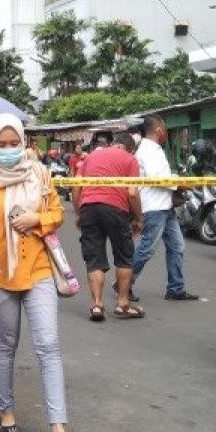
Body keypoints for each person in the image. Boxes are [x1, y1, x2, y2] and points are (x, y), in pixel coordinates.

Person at [0, 114, 80, 432]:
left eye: (13, 143)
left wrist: (38, 219)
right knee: (6, 345)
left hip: (39, 269)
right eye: (0, 144)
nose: (7, 149)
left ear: (23, 142)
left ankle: (58, 427)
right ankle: (6, 412)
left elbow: (57, 213)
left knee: (48, 346)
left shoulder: (41, 174)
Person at [130, 116, 199, 302]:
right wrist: (180, 184)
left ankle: (176, 288)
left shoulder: (154, 149)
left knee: (177, 246)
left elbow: (163, 175)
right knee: (147, 249)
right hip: (154, 207)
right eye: (165, 129)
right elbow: (158, 177)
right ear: (159, 130)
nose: (166, 133)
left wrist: (177, 181)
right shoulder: (148, 150)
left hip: (164, 206)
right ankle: (125, 282)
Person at [76, 134, 144, 321]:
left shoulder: (90, 157)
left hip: (88, 208)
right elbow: (131, 192)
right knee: (124, 256)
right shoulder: (130, 159)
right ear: (130, 149)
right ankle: (122, 304)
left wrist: (78, 212)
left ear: (113, 144)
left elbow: (76, 187)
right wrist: (138, 218)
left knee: (94, 257)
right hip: (116, 209)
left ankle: (97, 305)